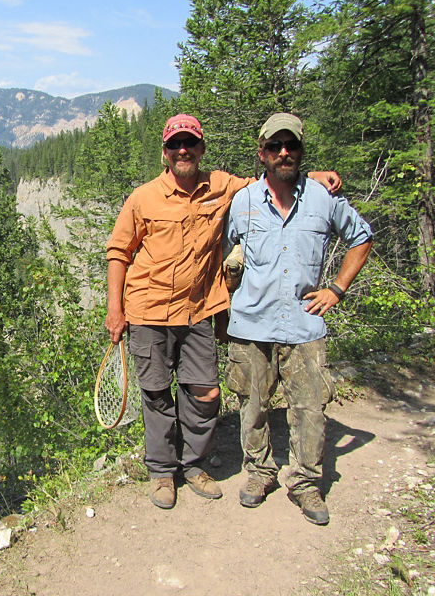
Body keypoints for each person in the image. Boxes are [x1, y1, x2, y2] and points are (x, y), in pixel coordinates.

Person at [105, 114, 340, 510]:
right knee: (157, 394)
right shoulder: (142, 198)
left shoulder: (221, 186)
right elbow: (118, 253)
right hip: (147, 311)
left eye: (191, 143)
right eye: (176, 144)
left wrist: (309, 175)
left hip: (198, 309)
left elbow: (265, 182)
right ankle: (162, 472)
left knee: (206, 392)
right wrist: (115, 310)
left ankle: (194, 465)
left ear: (201, 149)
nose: (184, 150)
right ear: (165, 153)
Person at [224, 112, 373, 525]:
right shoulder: (243, 201)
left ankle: (306, 482)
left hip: (305, 323)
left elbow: (361, 237)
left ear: (301, 150)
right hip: (251, 323)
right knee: (252, 405)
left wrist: (336, 289)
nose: (283, 152)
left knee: (310, 408)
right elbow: (225, 255)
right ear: (262, 153)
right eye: (275, 146)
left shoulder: (323, 200)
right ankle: (259, 472)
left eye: (290, 145)